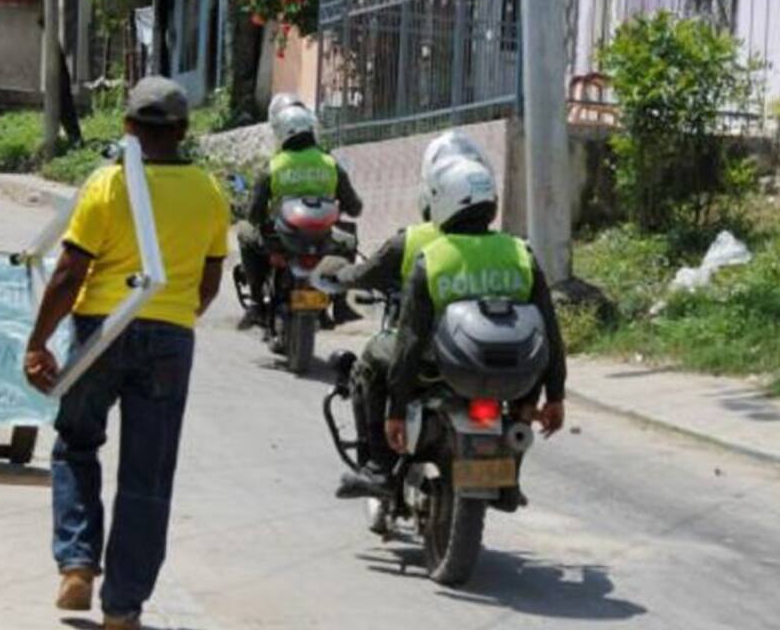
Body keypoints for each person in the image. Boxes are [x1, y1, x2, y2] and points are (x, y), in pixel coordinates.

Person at [23, 76, 230, 630]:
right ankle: (123, 606)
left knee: (75, 445)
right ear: (184, 130)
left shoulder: (109, 184)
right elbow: (210, 280)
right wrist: (175, 316)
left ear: (127, 127)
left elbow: (69, 272)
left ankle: (77, 561)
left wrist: (39, 340)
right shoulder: (210, 192)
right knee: (148, 474)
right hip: (169, 337)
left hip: (100, 332)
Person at [318, 131, 496, 498]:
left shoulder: (412, 242)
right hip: (479, 356)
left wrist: (337, 276)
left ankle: (378, 466)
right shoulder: (507, 246)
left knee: (369, 363)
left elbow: (364, 276)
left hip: (426, 356)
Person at [385, 157, 567, 459]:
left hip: (441, 373)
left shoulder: (432, 259)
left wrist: (396, 412)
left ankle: (378, 466)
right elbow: (549, 332)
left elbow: (410, 341)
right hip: (514, 379)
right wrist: (556, 396)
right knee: (524, 398)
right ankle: (510, 471)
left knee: (372, 361)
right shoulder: (521, 254)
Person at [237, 97, 363, 328]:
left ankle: (256, 303)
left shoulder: (273, 167)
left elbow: (254, 215)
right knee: (349, 240)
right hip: (322, 239)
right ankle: (341, 303)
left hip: (283, 239)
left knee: (244, 232)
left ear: (282, 133)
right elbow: (355, 207)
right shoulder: (329, 163)